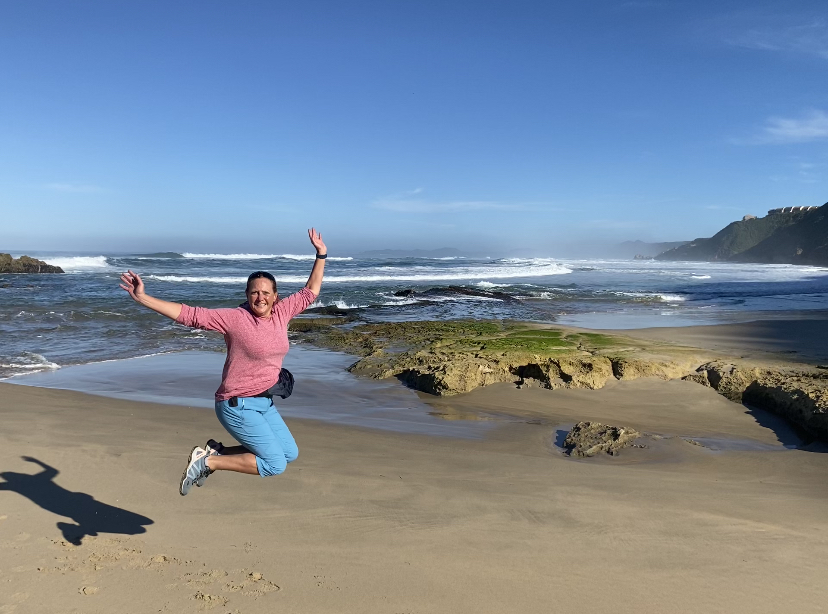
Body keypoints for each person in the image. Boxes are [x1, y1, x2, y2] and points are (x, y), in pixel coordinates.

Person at [119, 229, 327, 495]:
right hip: (237, 404)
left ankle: (217, 452)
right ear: (247, 294)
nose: (260, 298)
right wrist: (143, 298)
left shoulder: (282, 312)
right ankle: (208, 462)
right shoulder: (235, 319)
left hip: (264, 402)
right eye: (254, 292)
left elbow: (311, 290)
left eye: (265, 293)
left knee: (289, 452)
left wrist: (321, 253)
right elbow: (190, 315)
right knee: (275, 464)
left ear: (276, 296)